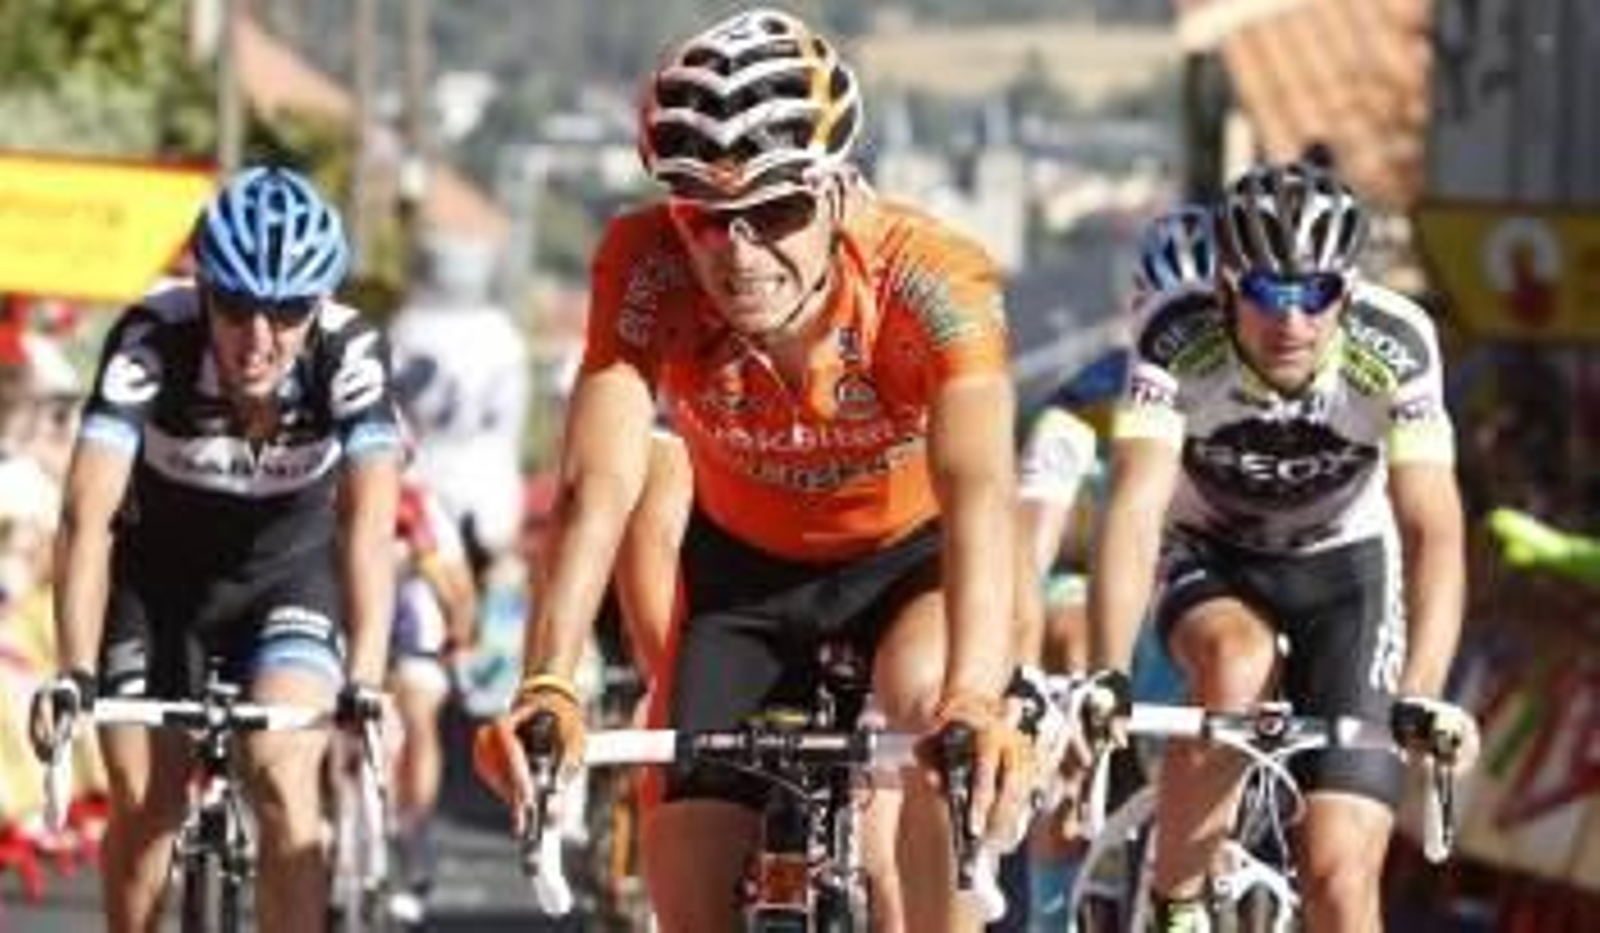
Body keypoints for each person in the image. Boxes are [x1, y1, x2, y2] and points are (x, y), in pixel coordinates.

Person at [472, 9, 1033, 931]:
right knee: (689, 876)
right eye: (705, 215)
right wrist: (548, 678)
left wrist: (975, 696)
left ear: (836, 191)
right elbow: (595, 481)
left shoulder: (931, 278)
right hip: (744, 577)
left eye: (776, 212)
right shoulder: (646, 264)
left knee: (932, 719)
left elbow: (979, 488)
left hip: (908, 567)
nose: (739, 253)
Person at [1086, 161, 1465, 932]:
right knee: (1236, 659)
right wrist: (1107, 672)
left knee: (1338, 878)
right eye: (1267, 291)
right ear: (1227, 286)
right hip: (1211, 553)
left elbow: (1433, 526)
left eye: (1315, 293)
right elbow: (1133, 508)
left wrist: (1421, 690)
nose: (1291, 320)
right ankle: (1178, 906)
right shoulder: (1175, 335)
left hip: (1347, 570)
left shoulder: (1397, 343)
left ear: (1347, 291)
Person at [26, 165, 402, 932]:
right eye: (234, 307)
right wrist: (73, 669)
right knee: (146, 808)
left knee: (282, 777)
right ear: (202, 289)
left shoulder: (350, 352)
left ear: (320, 301)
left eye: (288, 311)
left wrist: (366, 678)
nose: (259, 339)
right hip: (157, 589)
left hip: (288, 582)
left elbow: (370, 522)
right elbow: (86, 513)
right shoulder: (151, 334)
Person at [1013, 206, 1216, 928]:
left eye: (1205, 316)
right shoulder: (1085, 399)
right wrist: (1019, 668)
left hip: (1196, 601)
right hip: (1097, 593)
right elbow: (1029, 543)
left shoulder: (1256, 398)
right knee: (1068, 647)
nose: (1185, 337)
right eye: (1166, 312)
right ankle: (1051, 912)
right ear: (1135, 309)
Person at [384, 461, 478, 922]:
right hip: (348, 637)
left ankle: (414, 828)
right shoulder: (328, 490)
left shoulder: (424, 508)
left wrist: (458, 636)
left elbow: (462, 593)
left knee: (417, 716)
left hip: (416, 643)